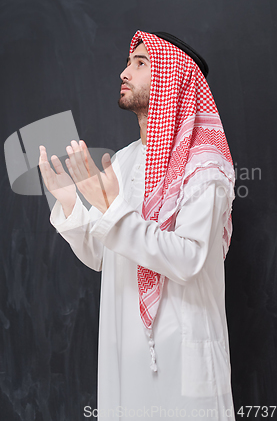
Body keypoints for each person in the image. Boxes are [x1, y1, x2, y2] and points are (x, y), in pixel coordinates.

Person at [39, 30, 236, 420]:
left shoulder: (205, 168)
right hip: (123, 360)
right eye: (129, 62)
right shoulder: (125, 160)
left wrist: (113, 212)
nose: (123, 72)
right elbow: (102, 253)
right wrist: (71, 207)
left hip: (182, 361)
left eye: (140, 63)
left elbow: (188, 258)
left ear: (171, 79)